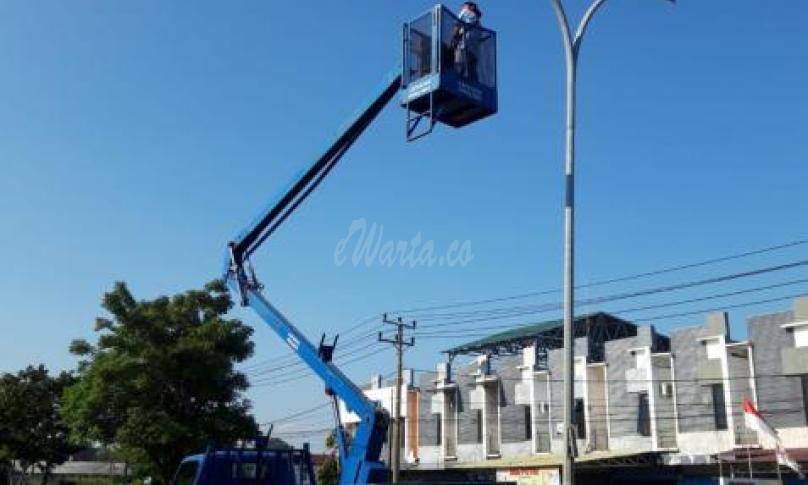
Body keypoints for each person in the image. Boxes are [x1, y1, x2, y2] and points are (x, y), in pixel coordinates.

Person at [453, 2, 482, 81]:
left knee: (459, 66)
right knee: (472, 72)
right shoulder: (479, 24)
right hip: (475, 52)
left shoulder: (466, 12)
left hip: (464, 47)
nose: (462, 8)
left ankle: (457, 81)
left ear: (471, 7)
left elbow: (457, 24)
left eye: (464, 6)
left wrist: (453, 40)